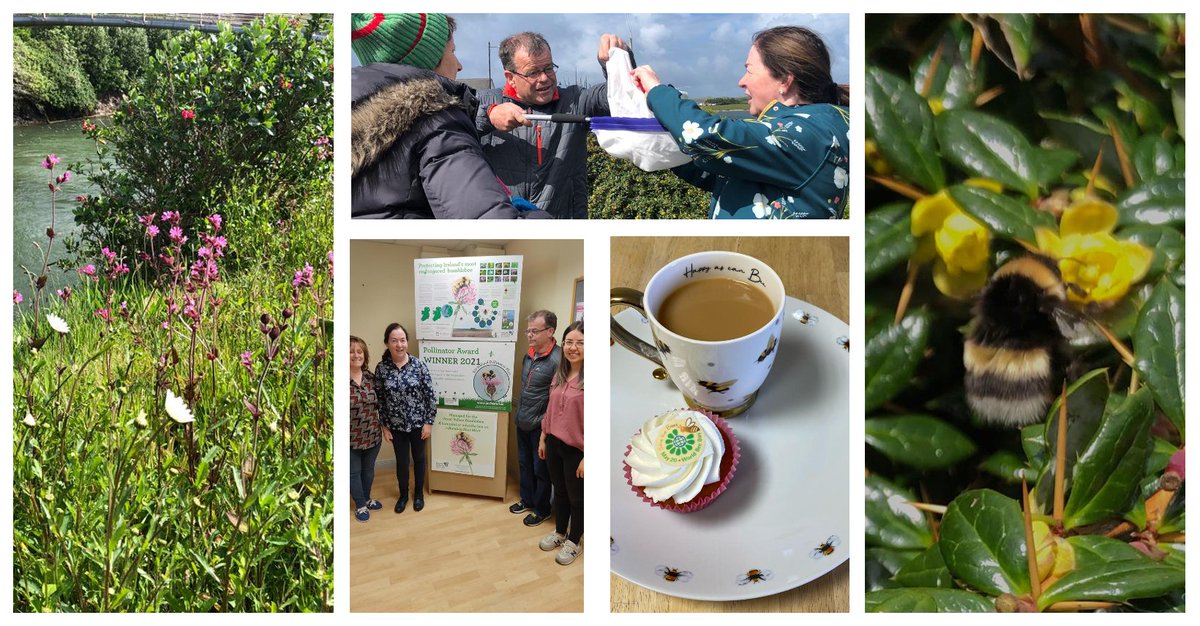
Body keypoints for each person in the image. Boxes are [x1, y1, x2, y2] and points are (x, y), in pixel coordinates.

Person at [632, 26, 850, 219]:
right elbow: (722, 174)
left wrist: (657, 91)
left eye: (749, 70)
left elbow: (705, 135)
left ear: (784, 80)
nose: (741, 81)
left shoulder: (810, 134)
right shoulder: (805, 129)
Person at [351, 13, 551, 219]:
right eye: (452, 51)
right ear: (426, 59)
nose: (459, 65)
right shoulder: (435, 122)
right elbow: (489, 223)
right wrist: (537, 219)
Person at [476, 32, 630, 218]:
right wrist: (487, 115)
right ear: (510, 77)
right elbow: (442, 128)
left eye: (548, 68)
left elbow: (619, 100)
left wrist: (618, 65)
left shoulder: (576, 101)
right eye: (533, 72)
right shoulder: (483, 101)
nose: (544, 78)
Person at [375, 323, 438, 513]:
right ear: (387, 343)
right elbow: (379, 399)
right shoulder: (382, 369)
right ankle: (403, 495)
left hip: (419, 424)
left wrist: (428, 423)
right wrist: (384, 427)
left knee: (419, 459)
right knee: (402, 462)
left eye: (402, 340)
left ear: (407, 342)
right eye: (394, 341)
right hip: (396, 427)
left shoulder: (418, 365)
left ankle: (418, 494)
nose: (399, 345)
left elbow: (430, 396)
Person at [507, 310, 561, 526]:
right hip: (523, 420)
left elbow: (556, 400)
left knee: (541, 470)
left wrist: (545, 431)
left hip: (541, 426)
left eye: (534, 331)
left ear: (550, 331)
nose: (529, 335)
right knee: (524, 463)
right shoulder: (529, 354)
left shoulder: (558, 360)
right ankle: (527, 500)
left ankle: (542, 509)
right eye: (528, 331)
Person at [538, 320, 584, 565]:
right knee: (561, 493)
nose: (572, 348)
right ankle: (559, 532)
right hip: (554, 443)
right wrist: (543, 438)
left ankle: (574, 541)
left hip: (578, 450)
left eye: (580, 343)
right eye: (569, 342)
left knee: (578, 498)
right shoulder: (560, 374)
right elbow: (550, 409)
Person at [350, 336, 384, 522]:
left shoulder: (371, 377)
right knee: (353, 472)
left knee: (368, 470)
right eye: (351, 351)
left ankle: (367, 497)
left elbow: (382, 404)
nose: (356, 355)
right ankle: (360, 504)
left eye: (359, 351)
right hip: (350, 439)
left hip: (372, 435)